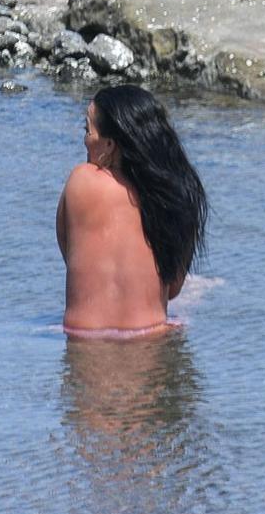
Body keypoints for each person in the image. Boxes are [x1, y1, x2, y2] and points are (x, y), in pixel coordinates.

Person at [57, 85, 209, 337]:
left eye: (87, 130)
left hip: (86, 348)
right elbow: (172, 290)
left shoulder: (79, 182)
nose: (84, 140)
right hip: (152, 342)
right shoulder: (175, 195)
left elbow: (72, 257)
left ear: (108, 145)